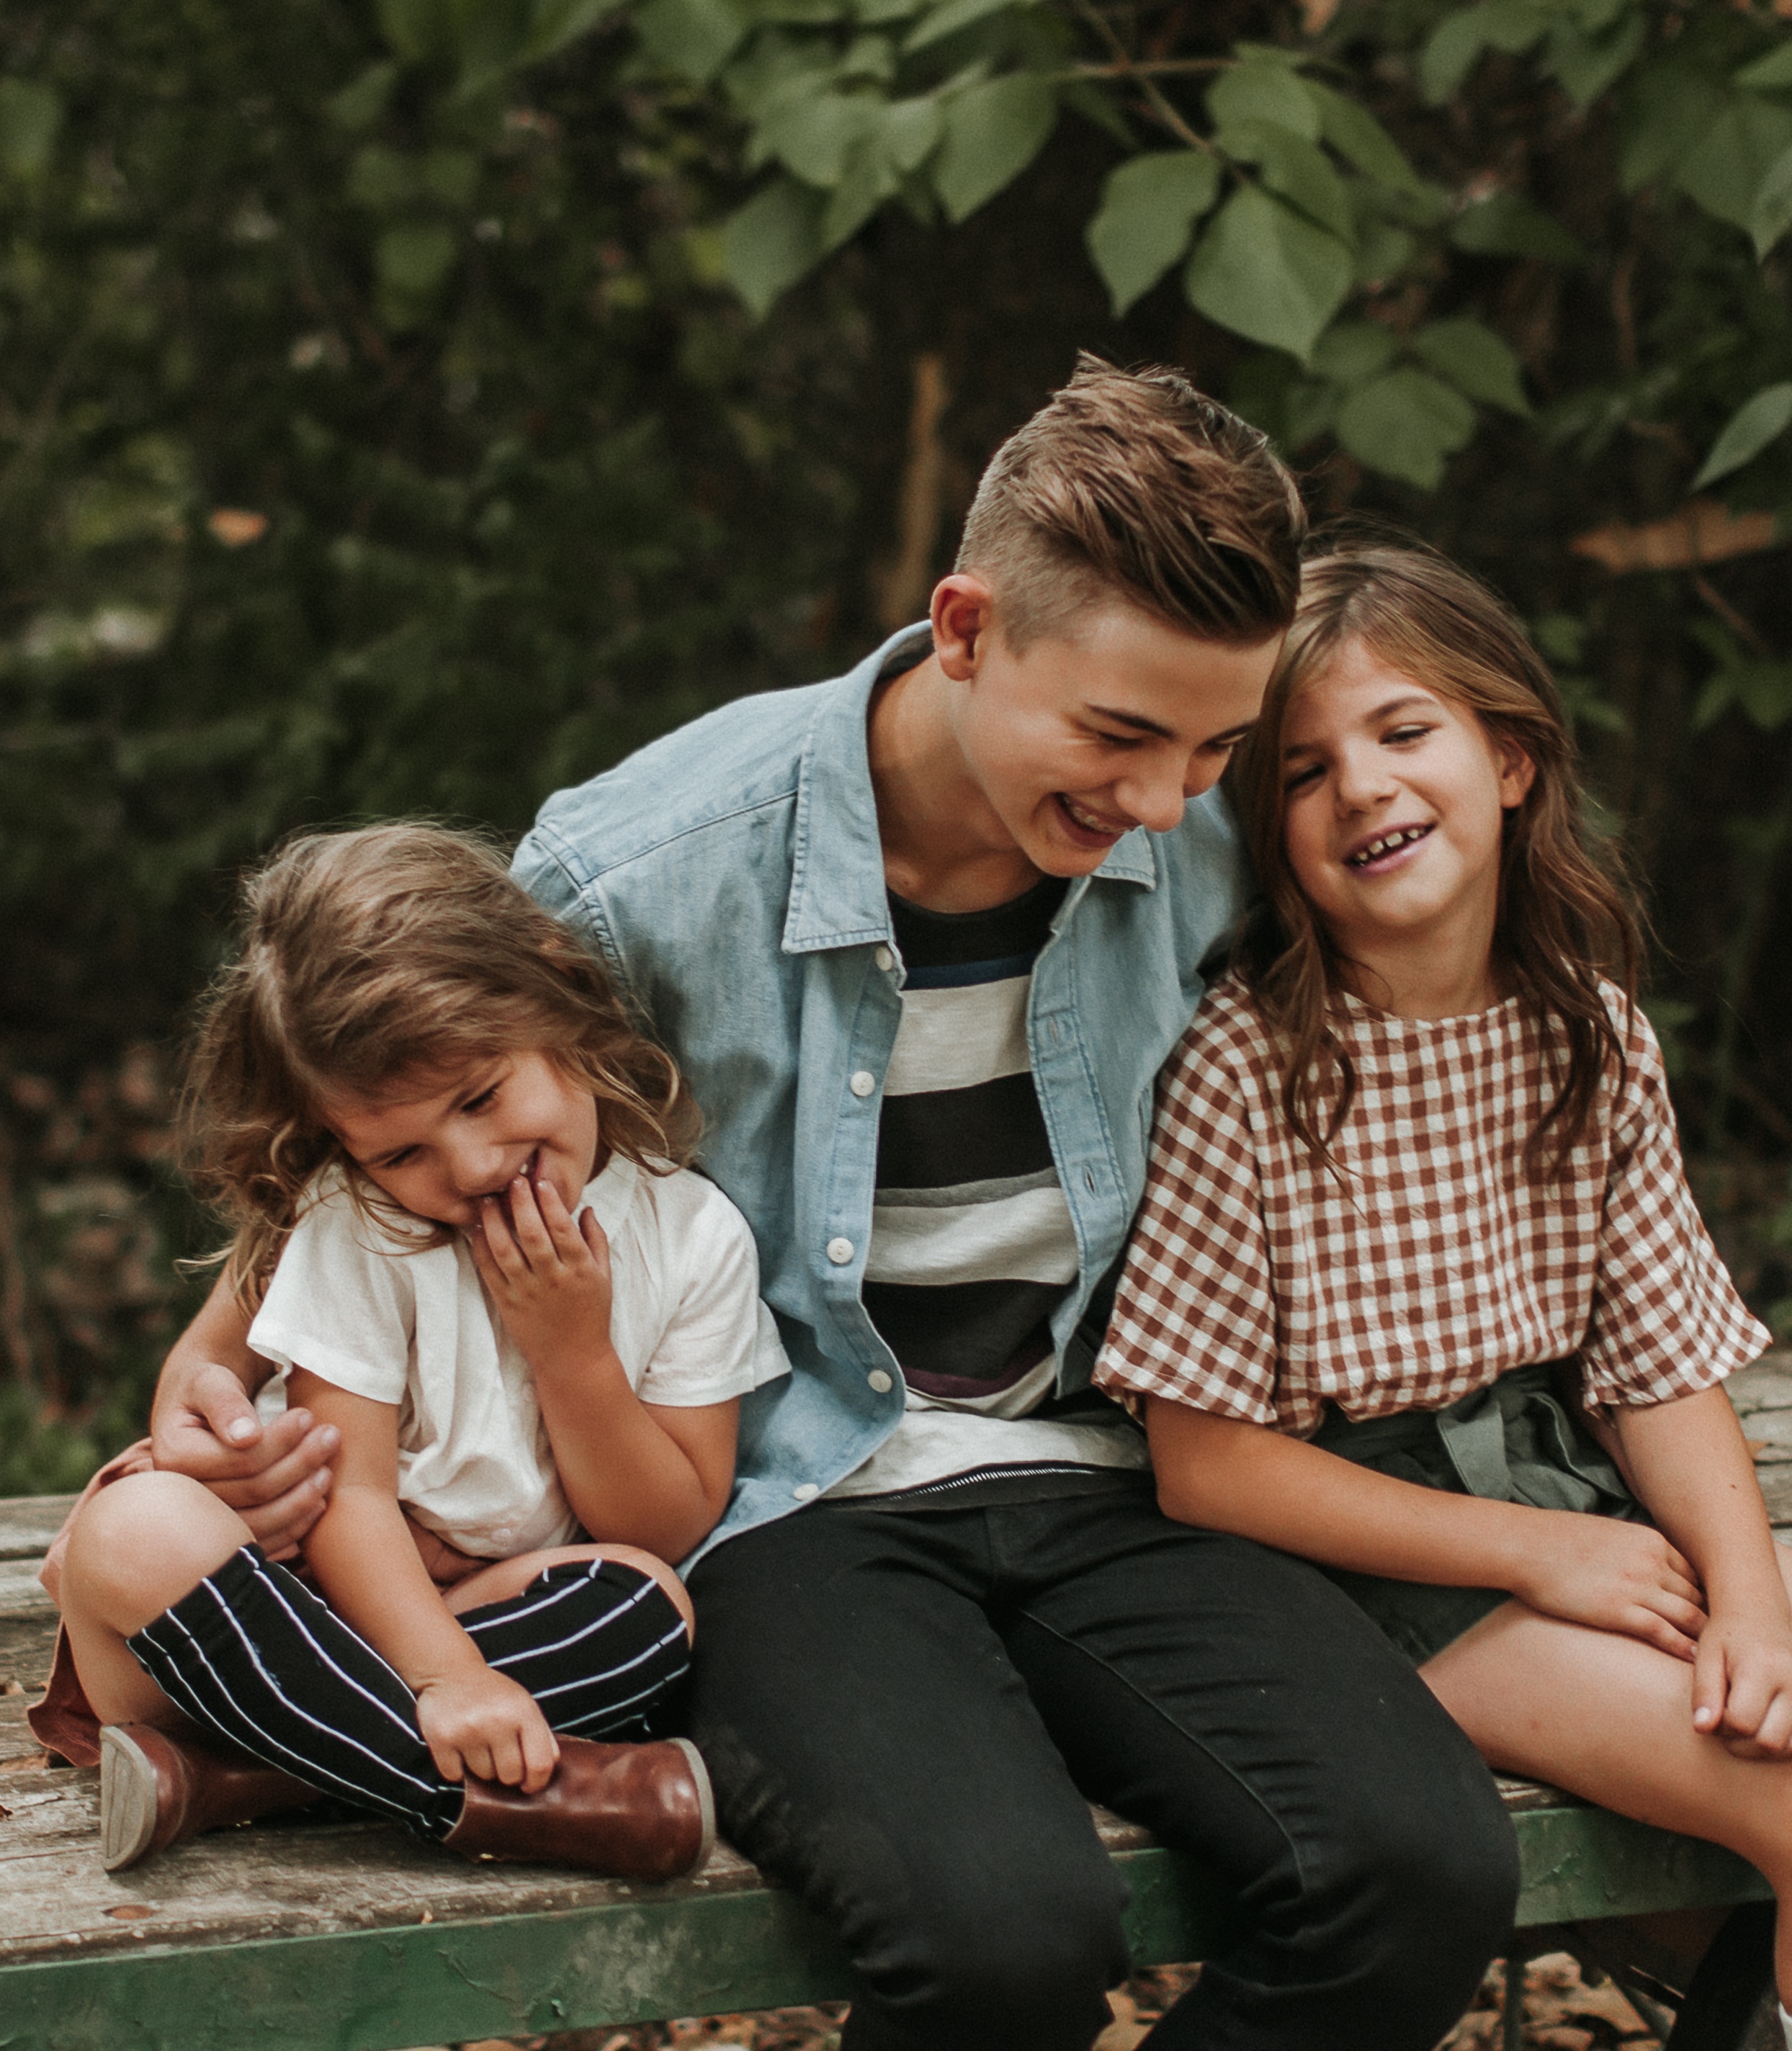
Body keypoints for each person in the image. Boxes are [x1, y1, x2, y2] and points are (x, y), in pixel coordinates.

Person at [133, 362, 1519, 2050]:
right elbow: (411, 1081)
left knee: (1418, 1864)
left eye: (1212, 746)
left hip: (1119, 1466)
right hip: (785, 1503)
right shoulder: (639, 866)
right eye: (1116, 737)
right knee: (1004, 1932)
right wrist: (212, 1350)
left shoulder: (1215, 840)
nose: (1162, 801)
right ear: (961, 626)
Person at [1093, 542, 1792, 2051]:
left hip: (1573, 1485)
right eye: (1302, 769)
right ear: (1261, 830)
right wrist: (1541, 1551)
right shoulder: (1249, 1066)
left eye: (1404, 732)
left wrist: (1751, 1614)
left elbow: (1654, 1370)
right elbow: (1203, 1462)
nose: (1364, 789)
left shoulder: (1584, 1032)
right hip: (1368, 1551)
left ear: (1510, 757)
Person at [45, 825, 785, 1878]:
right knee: (134, 1529)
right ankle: (536, 1801)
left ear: (563, 1008)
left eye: (483, 1095)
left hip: (466, 1622)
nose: (474, 1165)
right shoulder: (366, 1226)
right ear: (347, 1146)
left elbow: (665, 1523)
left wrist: (573, 1356)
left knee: (645, 1601)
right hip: (251, 1636)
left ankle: (237, 1783)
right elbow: (349, 1501)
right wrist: (443, 1681)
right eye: (401, 1150)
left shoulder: (692, 1237)